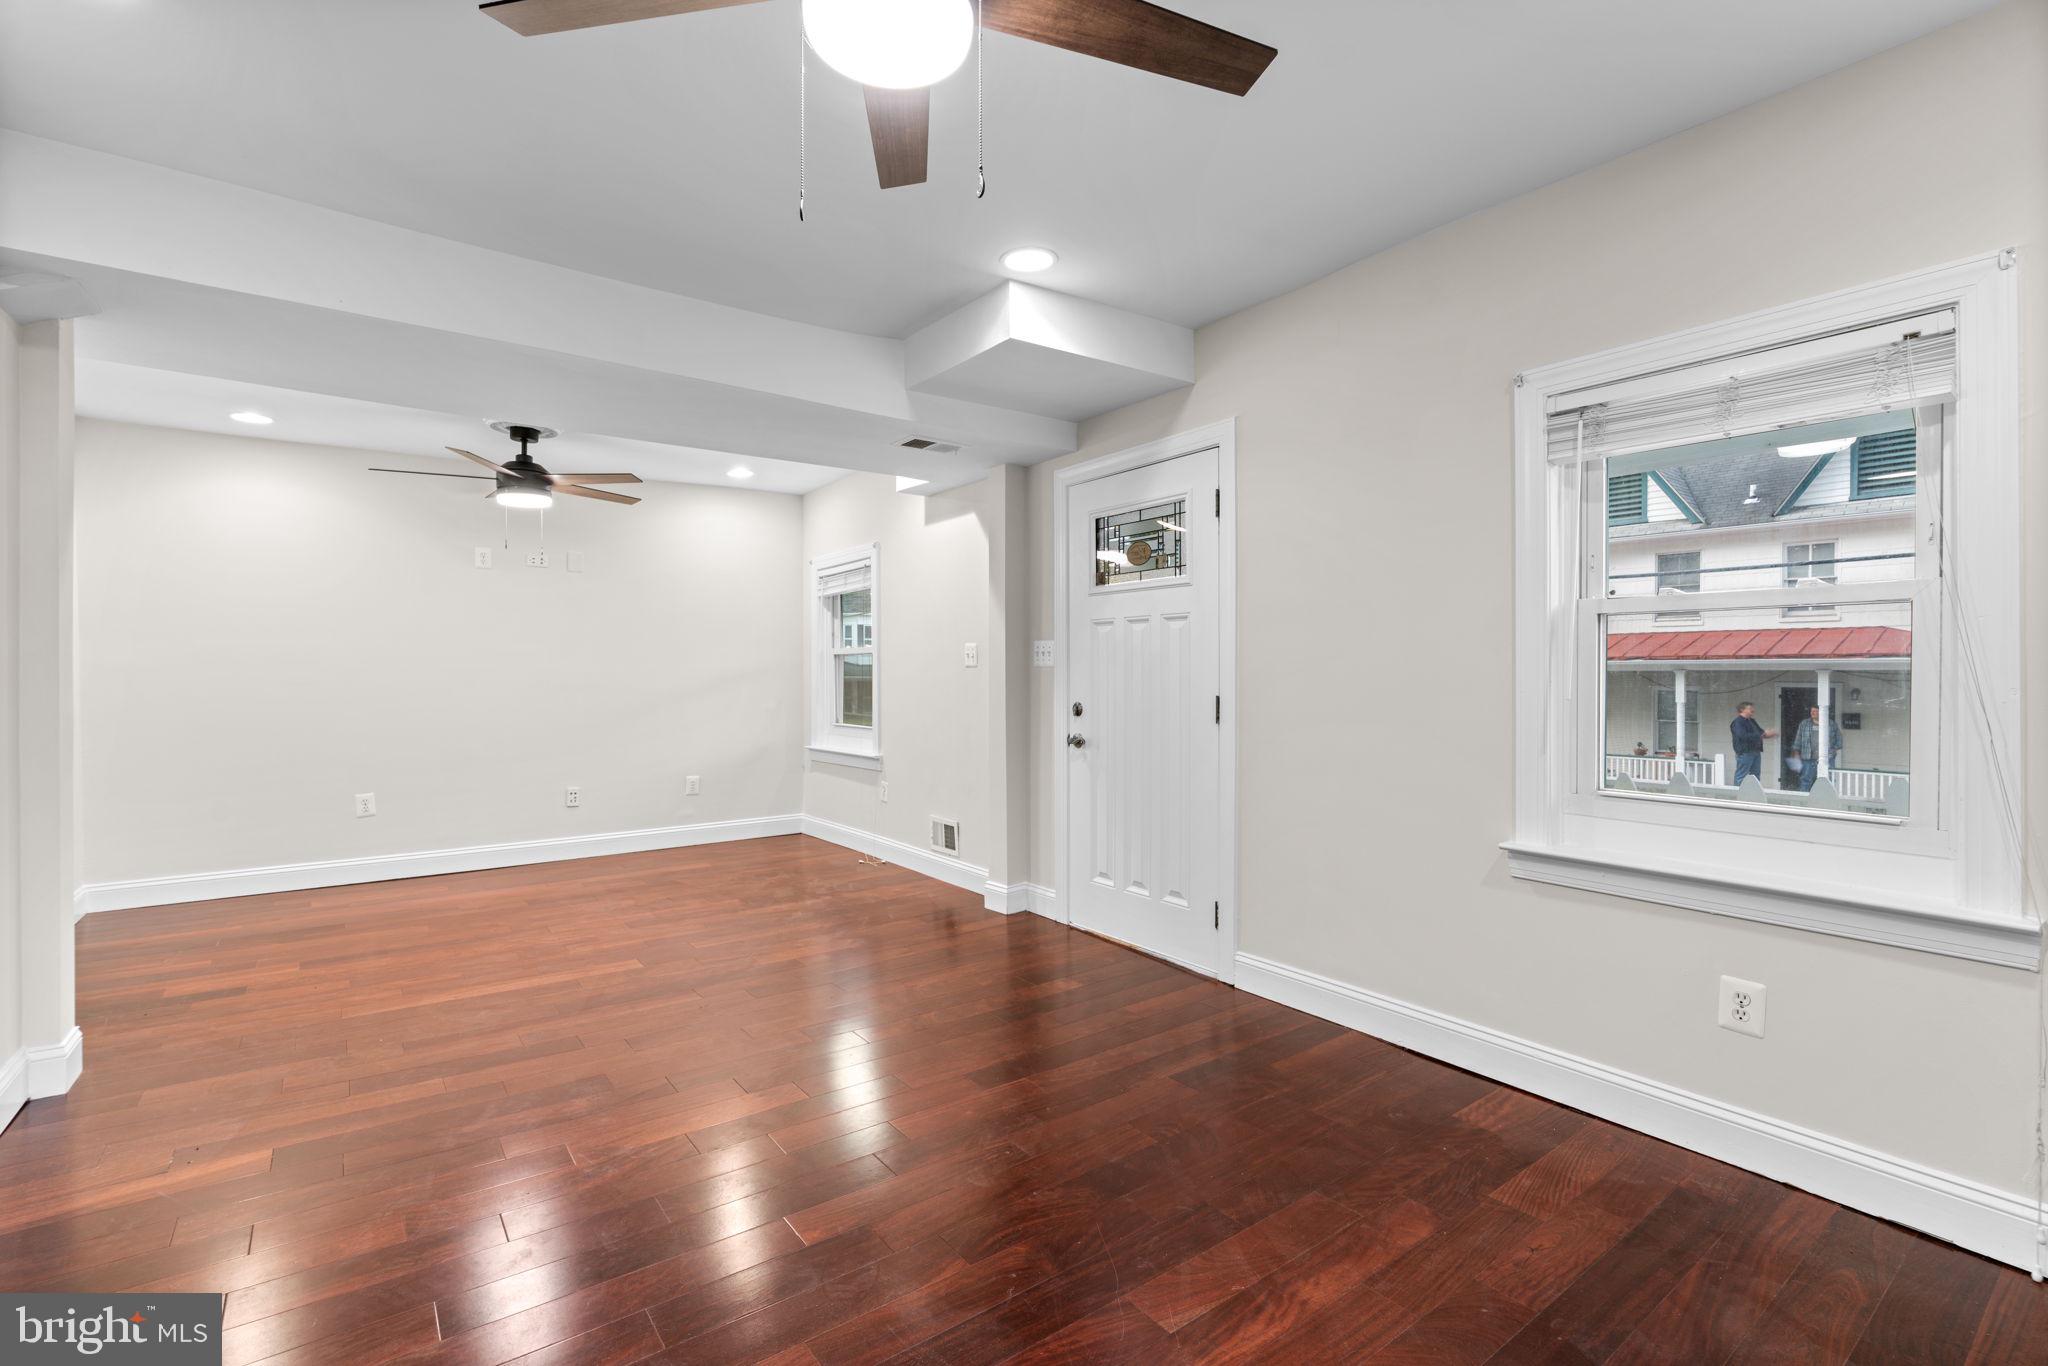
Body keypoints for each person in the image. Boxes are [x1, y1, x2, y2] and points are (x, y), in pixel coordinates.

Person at [1792, 705, 1843, 792]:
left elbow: (1839, 740)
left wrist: (1833, 750)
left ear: (1821, 712)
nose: (1812, 713)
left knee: (1828, 781)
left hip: (1827, 759)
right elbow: (1798, 740)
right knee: (1805, 780)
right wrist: (1796, 754)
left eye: (1815, 711)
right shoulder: (1804, 723)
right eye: (1811, 711)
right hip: (1808, 758)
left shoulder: (1831, 724)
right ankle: (1804, 801)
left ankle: (1827, 800)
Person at [1729, 703, 1775, 787]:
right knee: (1741, 775)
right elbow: (1742, 736)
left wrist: (1768, 734)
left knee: (1755, 776)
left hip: (1756, 751)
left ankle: (1754, 795)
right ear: (1742, 710)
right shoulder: (1738, 722)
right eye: (1750, 708)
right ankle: (1737, 794)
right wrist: (1760, 735)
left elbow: (1760, 733)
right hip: (1745, 752)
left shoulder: (1752, 721)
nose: (1753, 710)